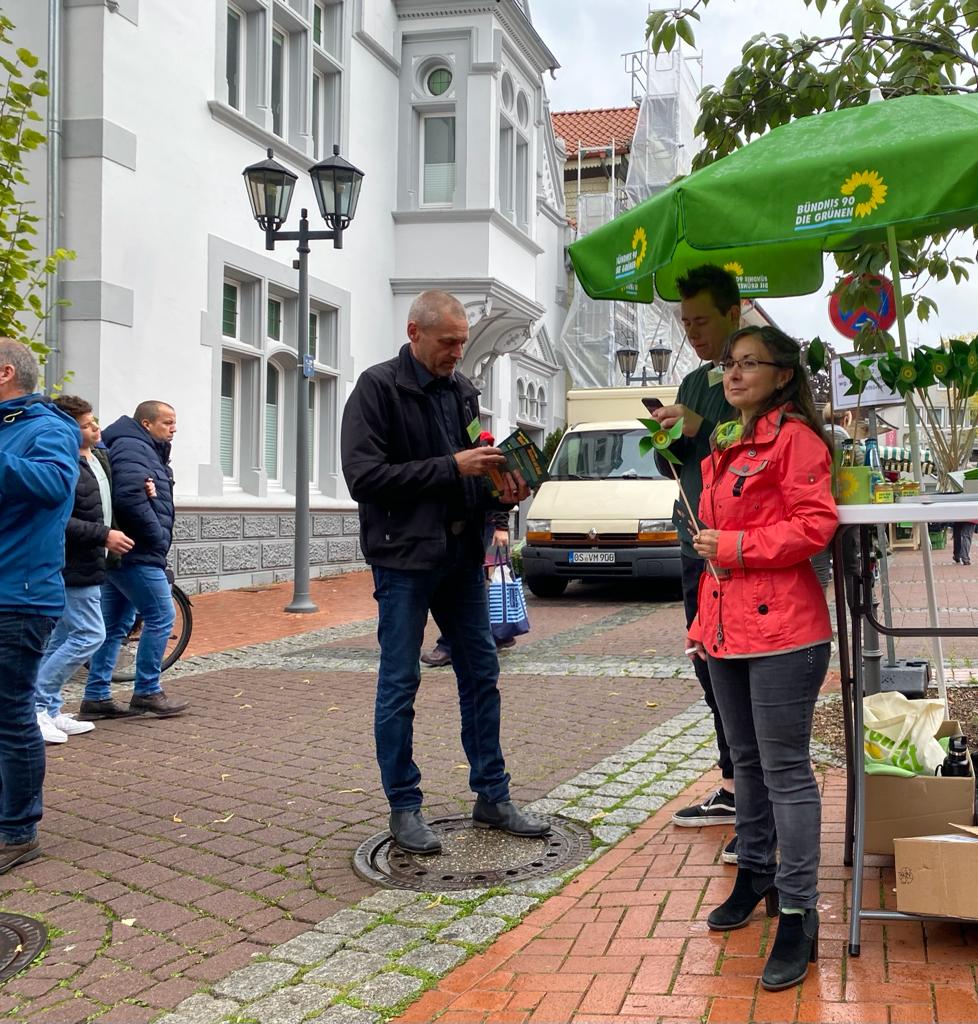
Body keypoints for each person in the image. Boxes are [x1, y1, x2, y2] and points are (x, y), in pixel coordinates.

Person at [341, 289, 549, 855]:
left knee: (481, 674)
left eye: (462, 342)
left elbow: (472, 476)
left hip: (460, 558)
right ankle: (404, 807)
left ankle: (493, 796)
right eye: (448, 342)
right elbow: (364, 478)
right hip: (403, 560)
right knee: (400, 682)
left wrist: (502, 493)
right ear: (415, 332)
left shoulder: (463, 392)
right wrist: (451, 466)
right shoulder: (377, 388)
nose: (458, 352)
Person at [687, 324, 838, 992]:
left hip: (785, 634)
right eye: (730, 362)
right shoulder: (728, 442)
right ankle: (755, 872)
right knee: (743, 762)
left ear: (783, 375)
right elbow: (714, 544)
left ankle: (799, 912)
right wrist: (704, 620)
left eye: (750, 363)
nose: (734, 372)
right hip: (728, 630)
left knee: (785, 772)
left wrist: (735, 548)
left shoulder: (795, 440)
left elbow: (814, 526)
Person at [649, 264, 740, 856]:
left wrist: (700, 425)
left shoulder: (753, 374)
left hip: (738, 551)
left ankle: (754, 796)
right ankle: (732, 786)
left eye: (702, 321)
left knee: (741, 674)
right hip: (693, 543)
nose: (692, 333)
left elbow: (750, 445)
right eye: (685, 323)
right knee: (708, 668)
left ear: (734, 312)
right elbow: (680, 465)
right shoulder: (690, 379)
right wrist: (666, 437)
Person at [0, 339, 79, 872]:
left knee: (11, 714)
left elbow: (51, 484)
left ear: (5, 373)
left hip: (19, 596)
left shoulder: (48, 426)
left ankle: (18, 832)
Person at [34, 396, 138, 743]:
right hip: (71, 563)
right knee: (90, 634)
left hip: (91, 561)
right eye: (85, 424)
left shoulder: (96, 458)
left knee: (63, 638)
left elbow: (106, 503)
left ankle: (47, 709)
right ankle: (34, 705)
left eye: (94, 420)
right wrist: (103, 535)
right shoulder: (62, 463)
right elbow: (57, 520)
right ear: (67, 429)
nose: (95, 427)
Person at [80, 401, 189, 719]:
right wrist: (156, 536)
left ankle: (96, 697)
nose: (173, 428)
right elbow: (129, 497)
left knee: (114, 625)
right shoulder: (133, 447)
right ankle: (147, 692)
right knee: (161, 616)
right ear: (146, 423)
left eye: (174, 422)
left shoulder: (141, 447)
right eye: (167, 422)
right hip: (136, 552)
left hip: (125, 553)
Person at [422, 431, 515, 667]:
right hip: (468, 528)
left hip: (482, 529)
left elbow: (493, 489)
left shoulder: (478, 447)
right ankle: (497, 634)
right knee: (482, 583)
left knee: (483, 582)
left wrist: (501, 526)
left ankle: (453, 643)